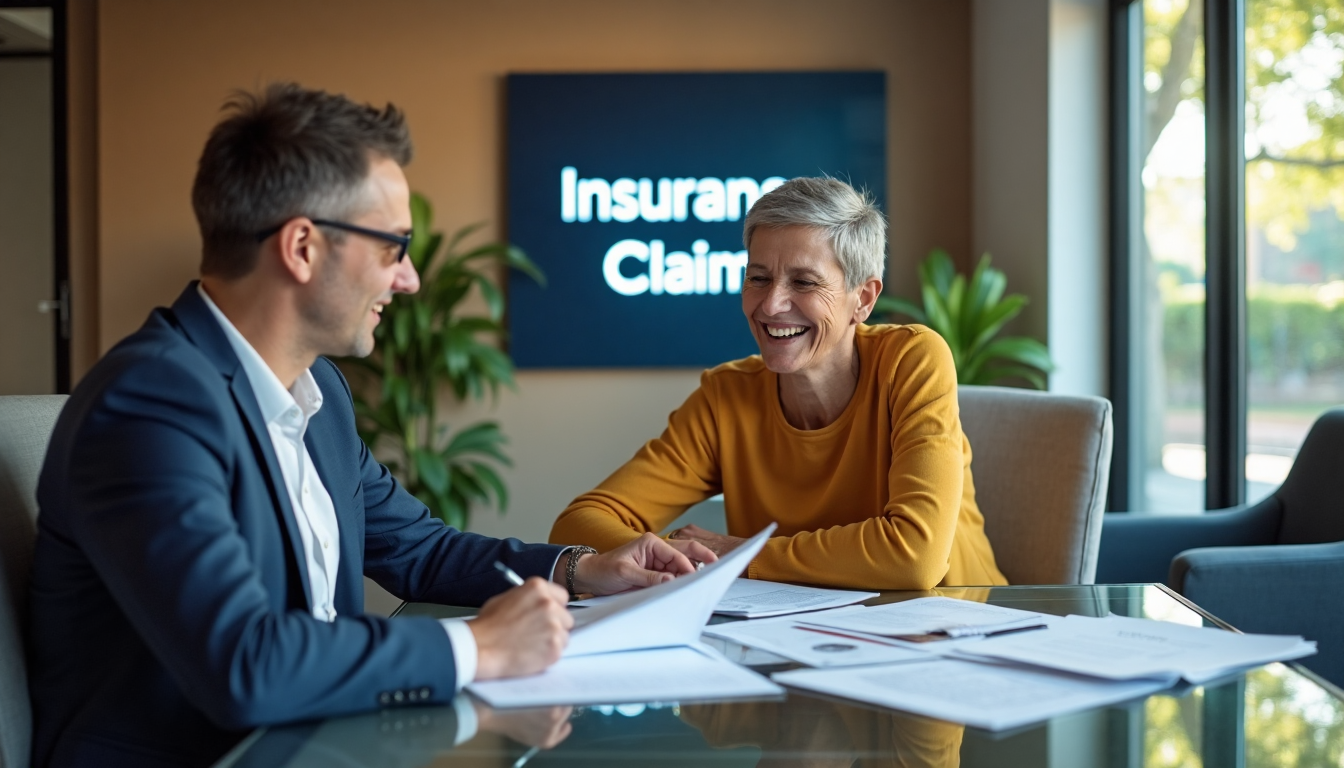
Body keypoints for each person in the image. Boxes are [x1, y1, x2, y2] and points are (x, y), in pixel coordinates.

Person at [27, 83, 714, 768]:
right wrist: (480, 646)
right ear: (301, 247)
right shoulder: (151, 406)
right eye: (394, 247)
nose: (410, 279)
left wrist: (582, 569)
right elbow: (245, 665)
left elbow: (421, 551)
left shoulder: (315, 387)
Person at [550, 177, 1005, 591]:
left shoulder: (911, 359)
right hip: (796, 636)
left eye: (804, 282)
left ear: (863, 299)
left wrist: (738, 554)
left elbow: (915, 558)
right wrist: (668, 557)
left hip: (960, 636)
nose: (771, 304)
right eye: (758, 278)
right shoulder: (726, 396)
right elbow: (578, 525)